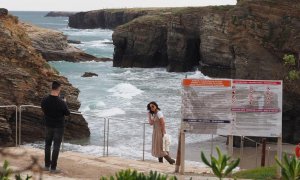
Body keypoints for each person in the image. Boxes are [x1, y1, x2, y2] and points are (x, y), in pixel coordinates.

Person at [41, 81, 70, 173]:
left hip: (48, 125)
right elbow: (67, 113)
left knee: (47, 145)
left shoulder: (44, 100)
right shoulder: (61, 102)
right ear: (58, 89)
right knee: (56, 146)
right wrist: (65, 102)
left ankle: (46, 166)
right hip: (59, 126)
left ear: (52, 88)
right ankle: (53, 168)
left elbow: (43, 109)